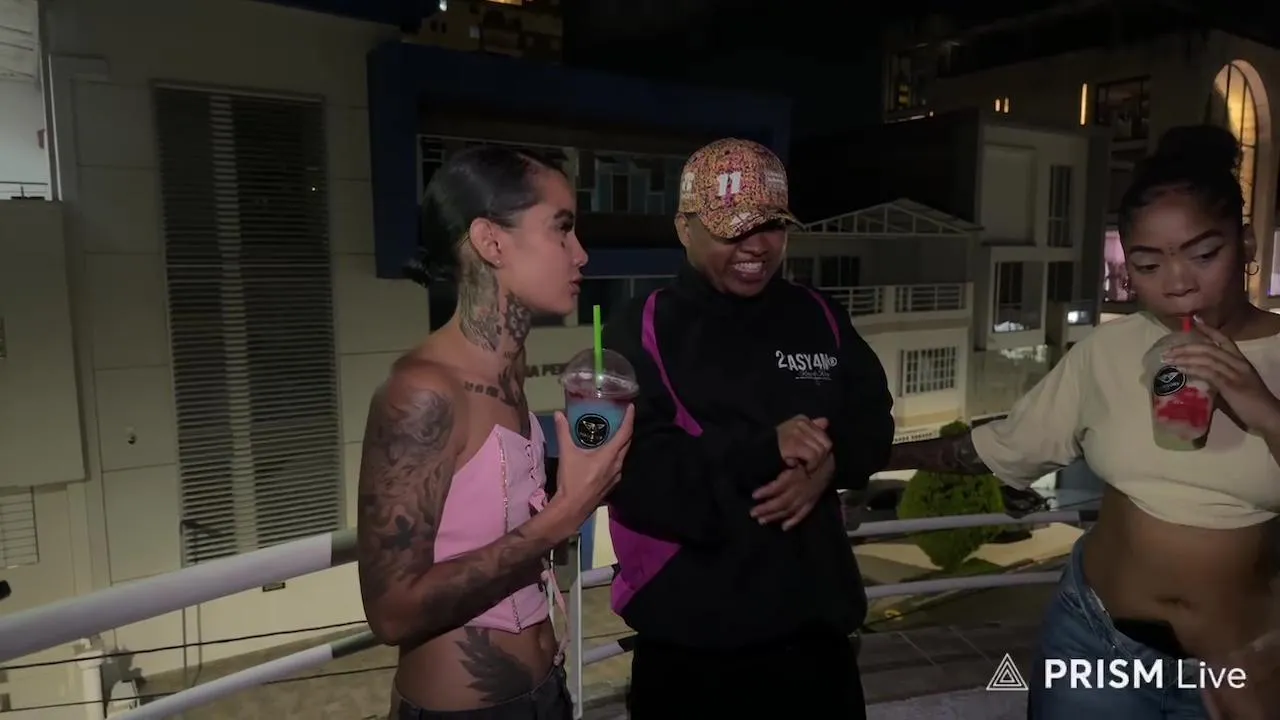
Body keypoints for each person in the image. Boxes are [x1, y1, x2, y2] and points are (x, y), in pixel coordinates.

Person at [884, 125, 1280, 719]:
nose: (1178, 285)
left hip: (1235, 665)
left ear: (1245, 243)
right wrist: (872, 454)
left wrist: (1261, 405)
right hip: (1093, 640)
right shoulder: (1110, 351)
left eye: (1204, 255)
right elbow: (1005, 446)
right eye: (1147, 264)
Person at [601, 138, 895, 718]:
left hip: (816, 644)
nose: (757, 246)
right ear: (684, 228)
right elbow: (634, 477)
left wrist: (829, 463)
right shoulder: (641, 328)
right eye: (733, 229)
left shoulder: (819, 314)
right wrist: (763, 452)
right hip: (693, 654)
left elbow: (873, 420)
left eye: (772, 226)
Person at [355, 146, 634, 720]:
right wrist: (563, 515)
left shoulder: (509, 367)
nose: (580, 253)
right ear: (491, 241)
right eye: (561, 229)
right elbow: (391, 613)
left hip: (547, 689)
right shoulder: (423, 392)